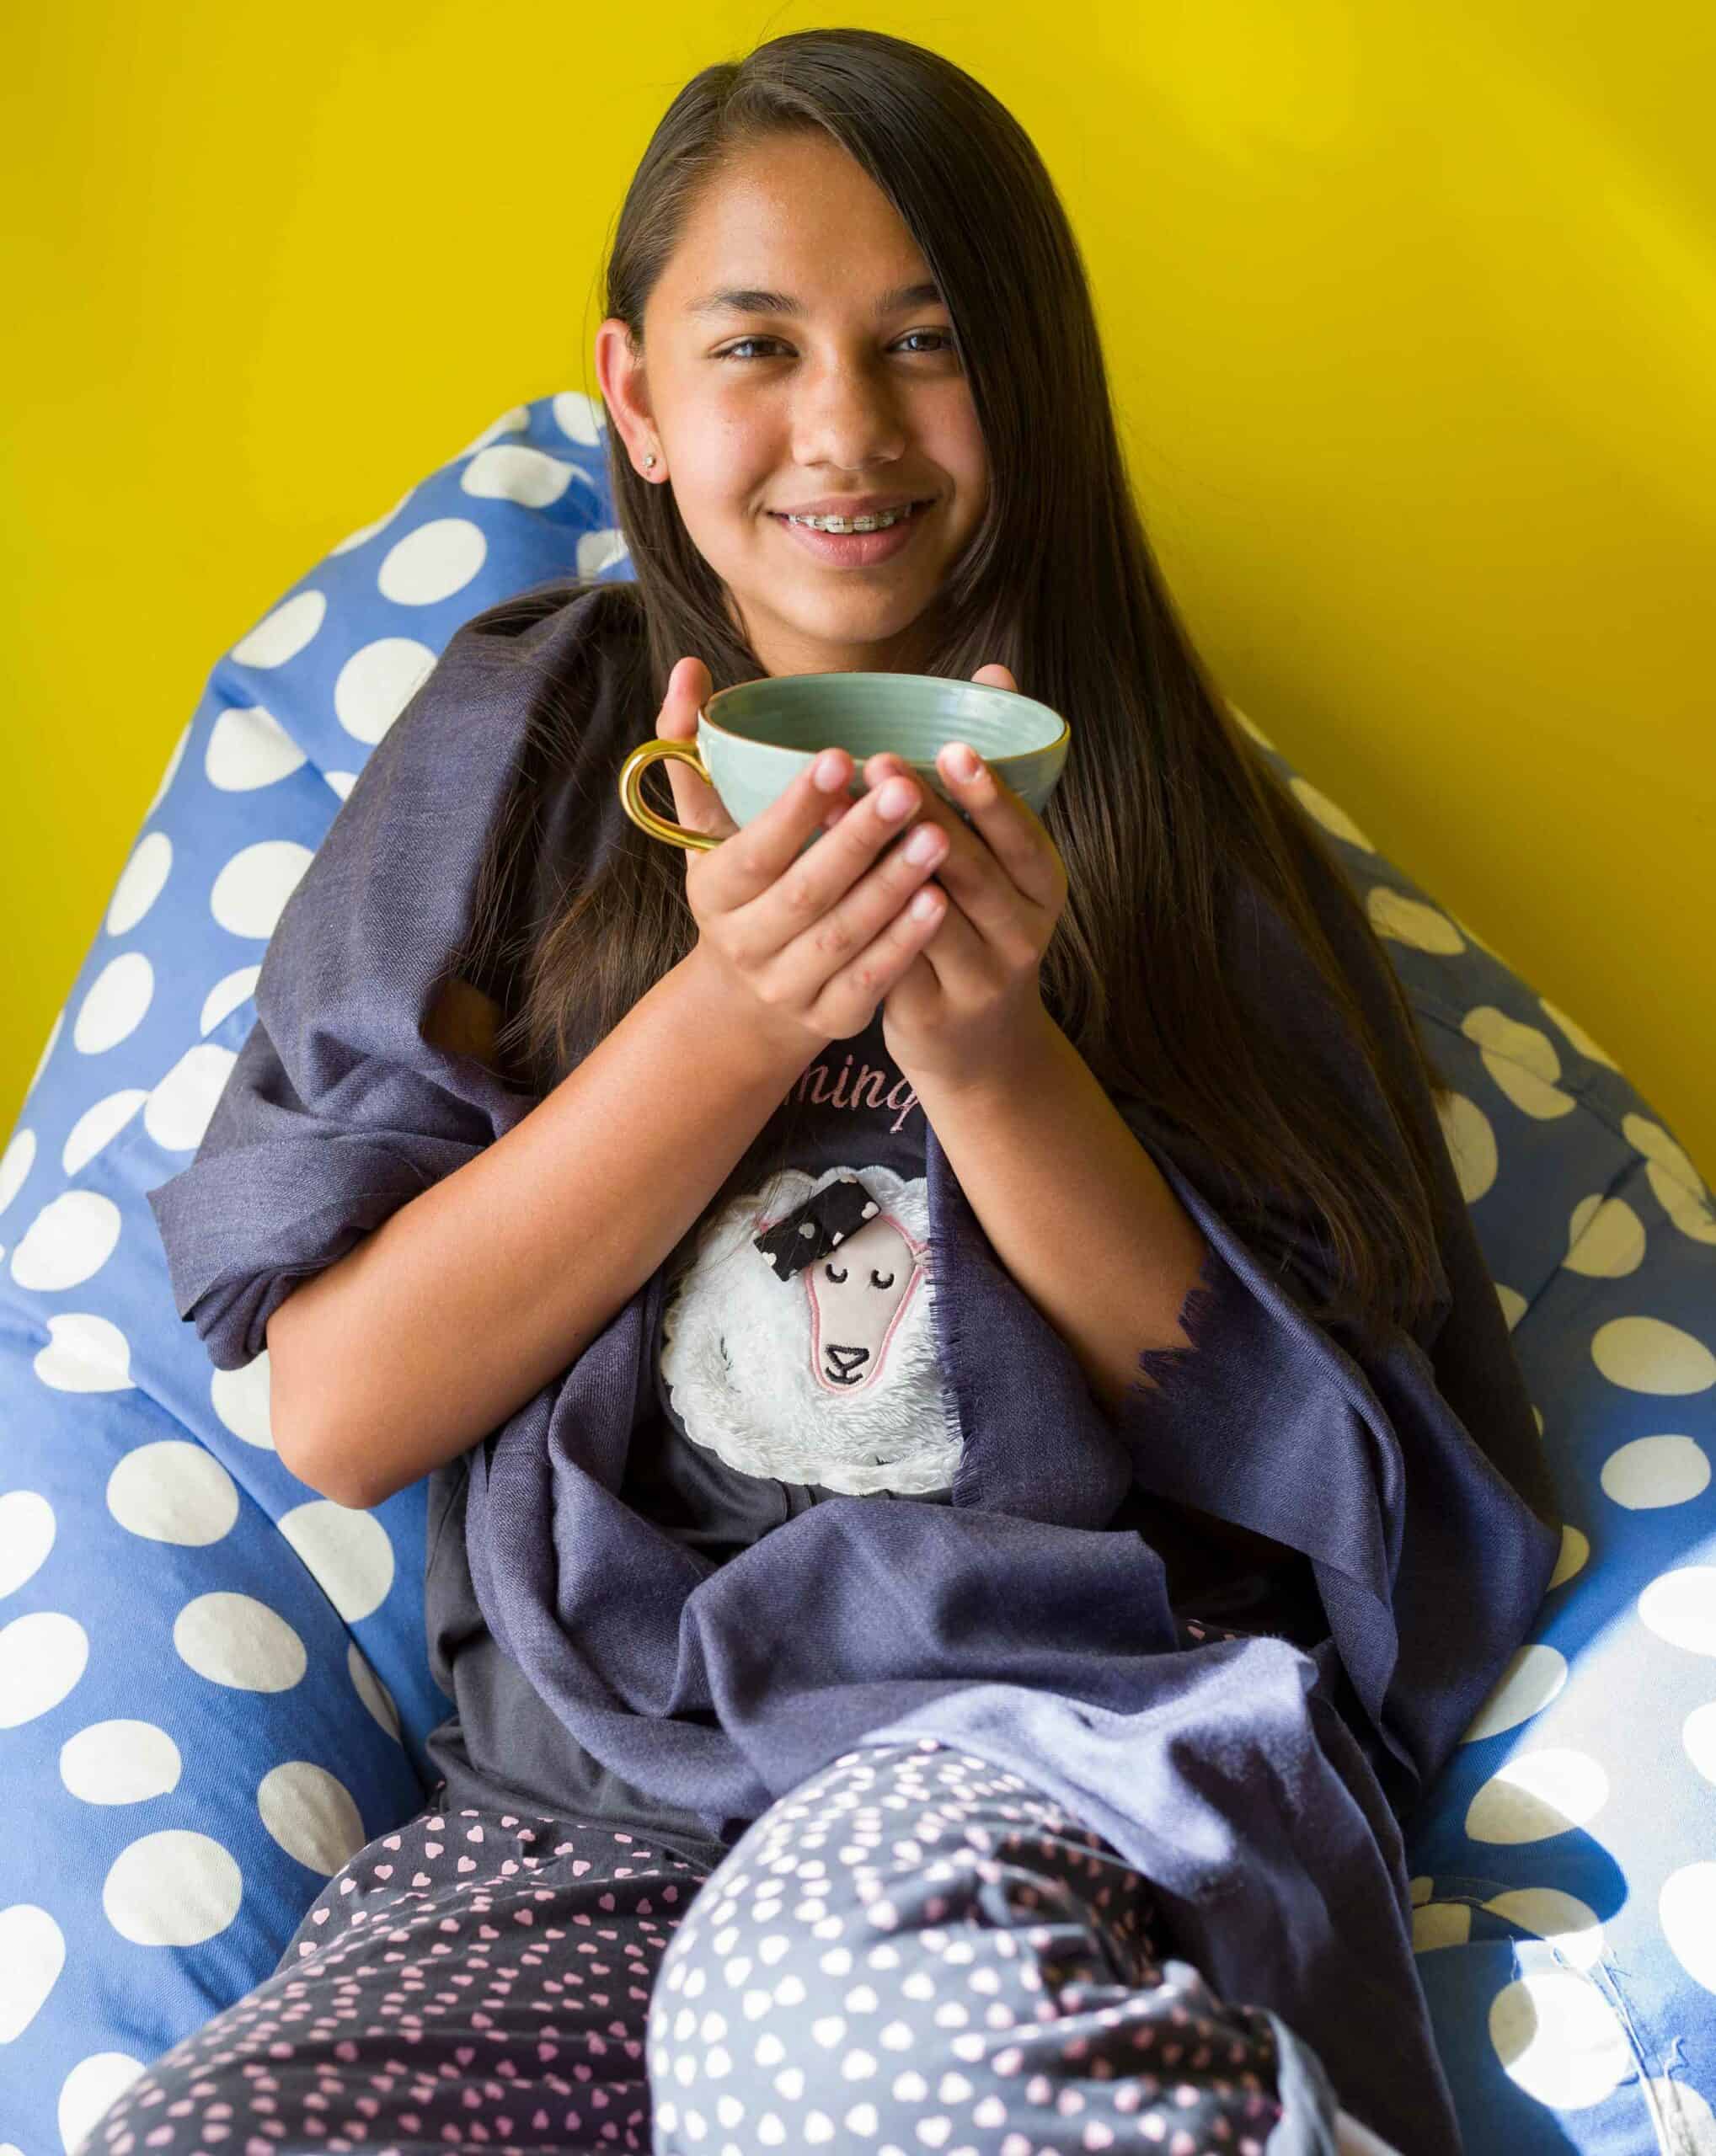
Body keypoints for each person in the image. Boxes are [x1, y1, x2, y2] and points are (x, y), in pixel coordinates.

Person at [90, 28, 1562, 2156]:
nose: (844, 430)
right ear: (636, 401)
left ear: (1031, 396)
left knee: (831, 2028)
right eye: (755, 346)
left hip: (1039, 1747)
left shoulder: (1160, 815)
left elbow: (1323, 1484)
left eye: (930, 345)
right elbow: (336, 1405)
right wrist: (731, 1016)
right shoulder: (523, 740)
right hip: (566, 1821)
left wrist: (986, 1055)